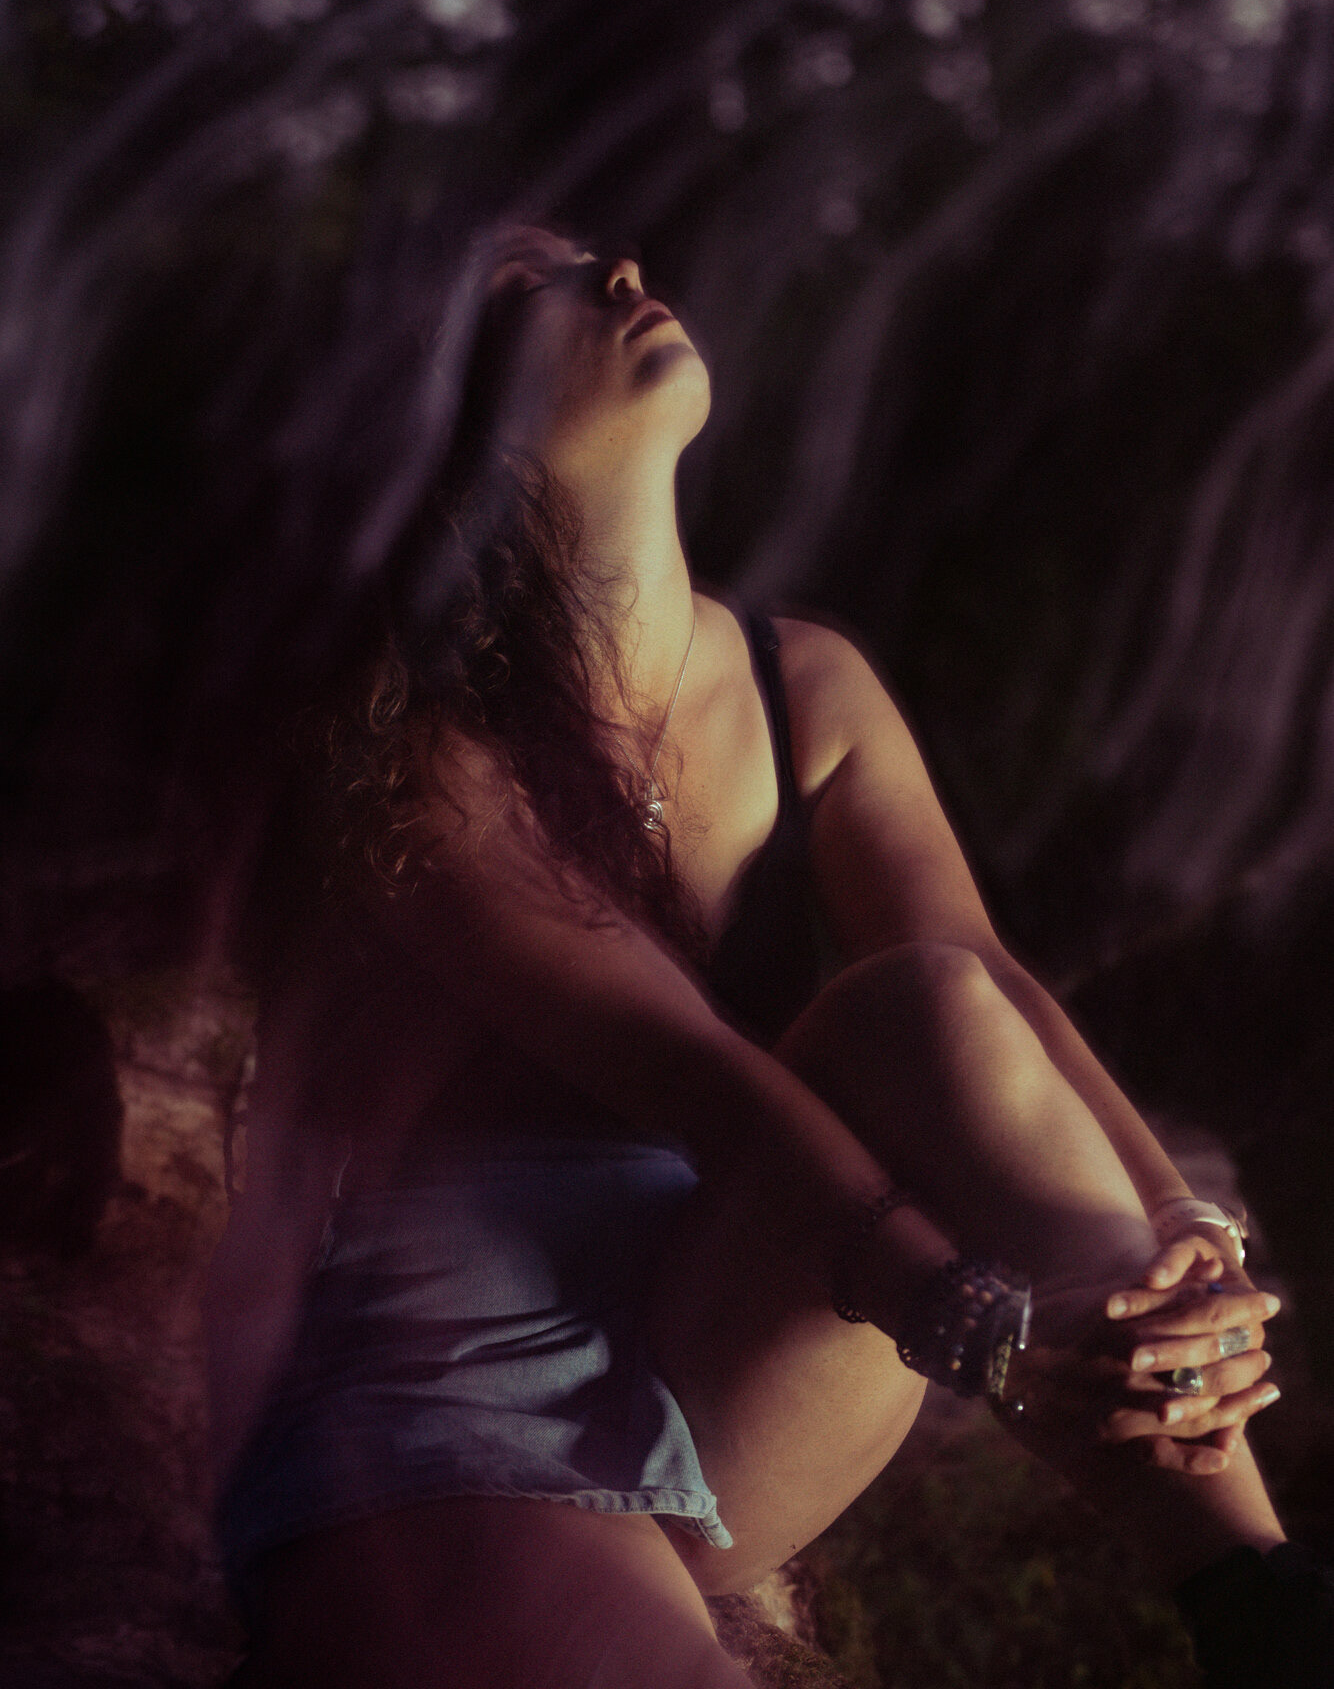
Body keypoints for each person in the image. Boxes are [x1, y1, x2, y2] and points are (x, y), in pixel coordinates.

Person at [205, 226, 1317, 1689]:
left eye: (593, 253)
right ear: (438, 414)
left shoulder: (810, 688)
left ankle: (1257, 1599)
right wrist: (975, 1324)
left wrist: (1186, 1236)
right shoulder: (415, 746)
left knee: (929, 1001)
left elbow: (983, 984)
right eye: (524, 288)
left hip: (727, 1316)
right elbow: (703, 1082)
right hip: (461, 1380)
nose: (615, 274)